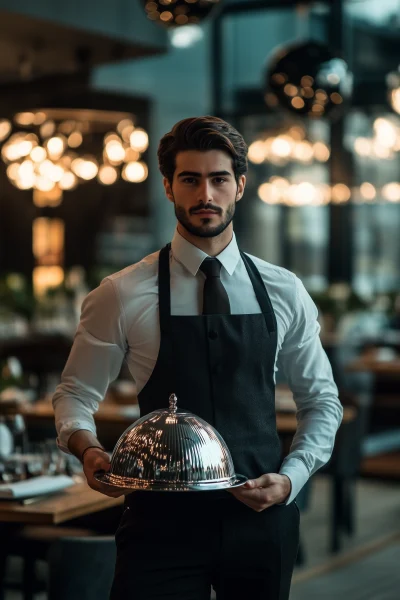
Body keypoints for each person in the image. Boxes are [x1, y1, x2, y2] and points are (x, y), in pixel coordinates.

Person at [53, 116, 343, 600]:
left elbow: (323, 401)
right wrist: (88, 449)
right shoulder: (122, 293)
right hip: (159, 530)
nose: (205, 193)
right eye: (190, 179)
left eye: (219, 179)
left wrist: (291, 479)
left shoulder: (283, 290)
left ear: (240, 186)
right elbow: (75, 395)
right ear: (168, 187)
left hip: (261, 523)